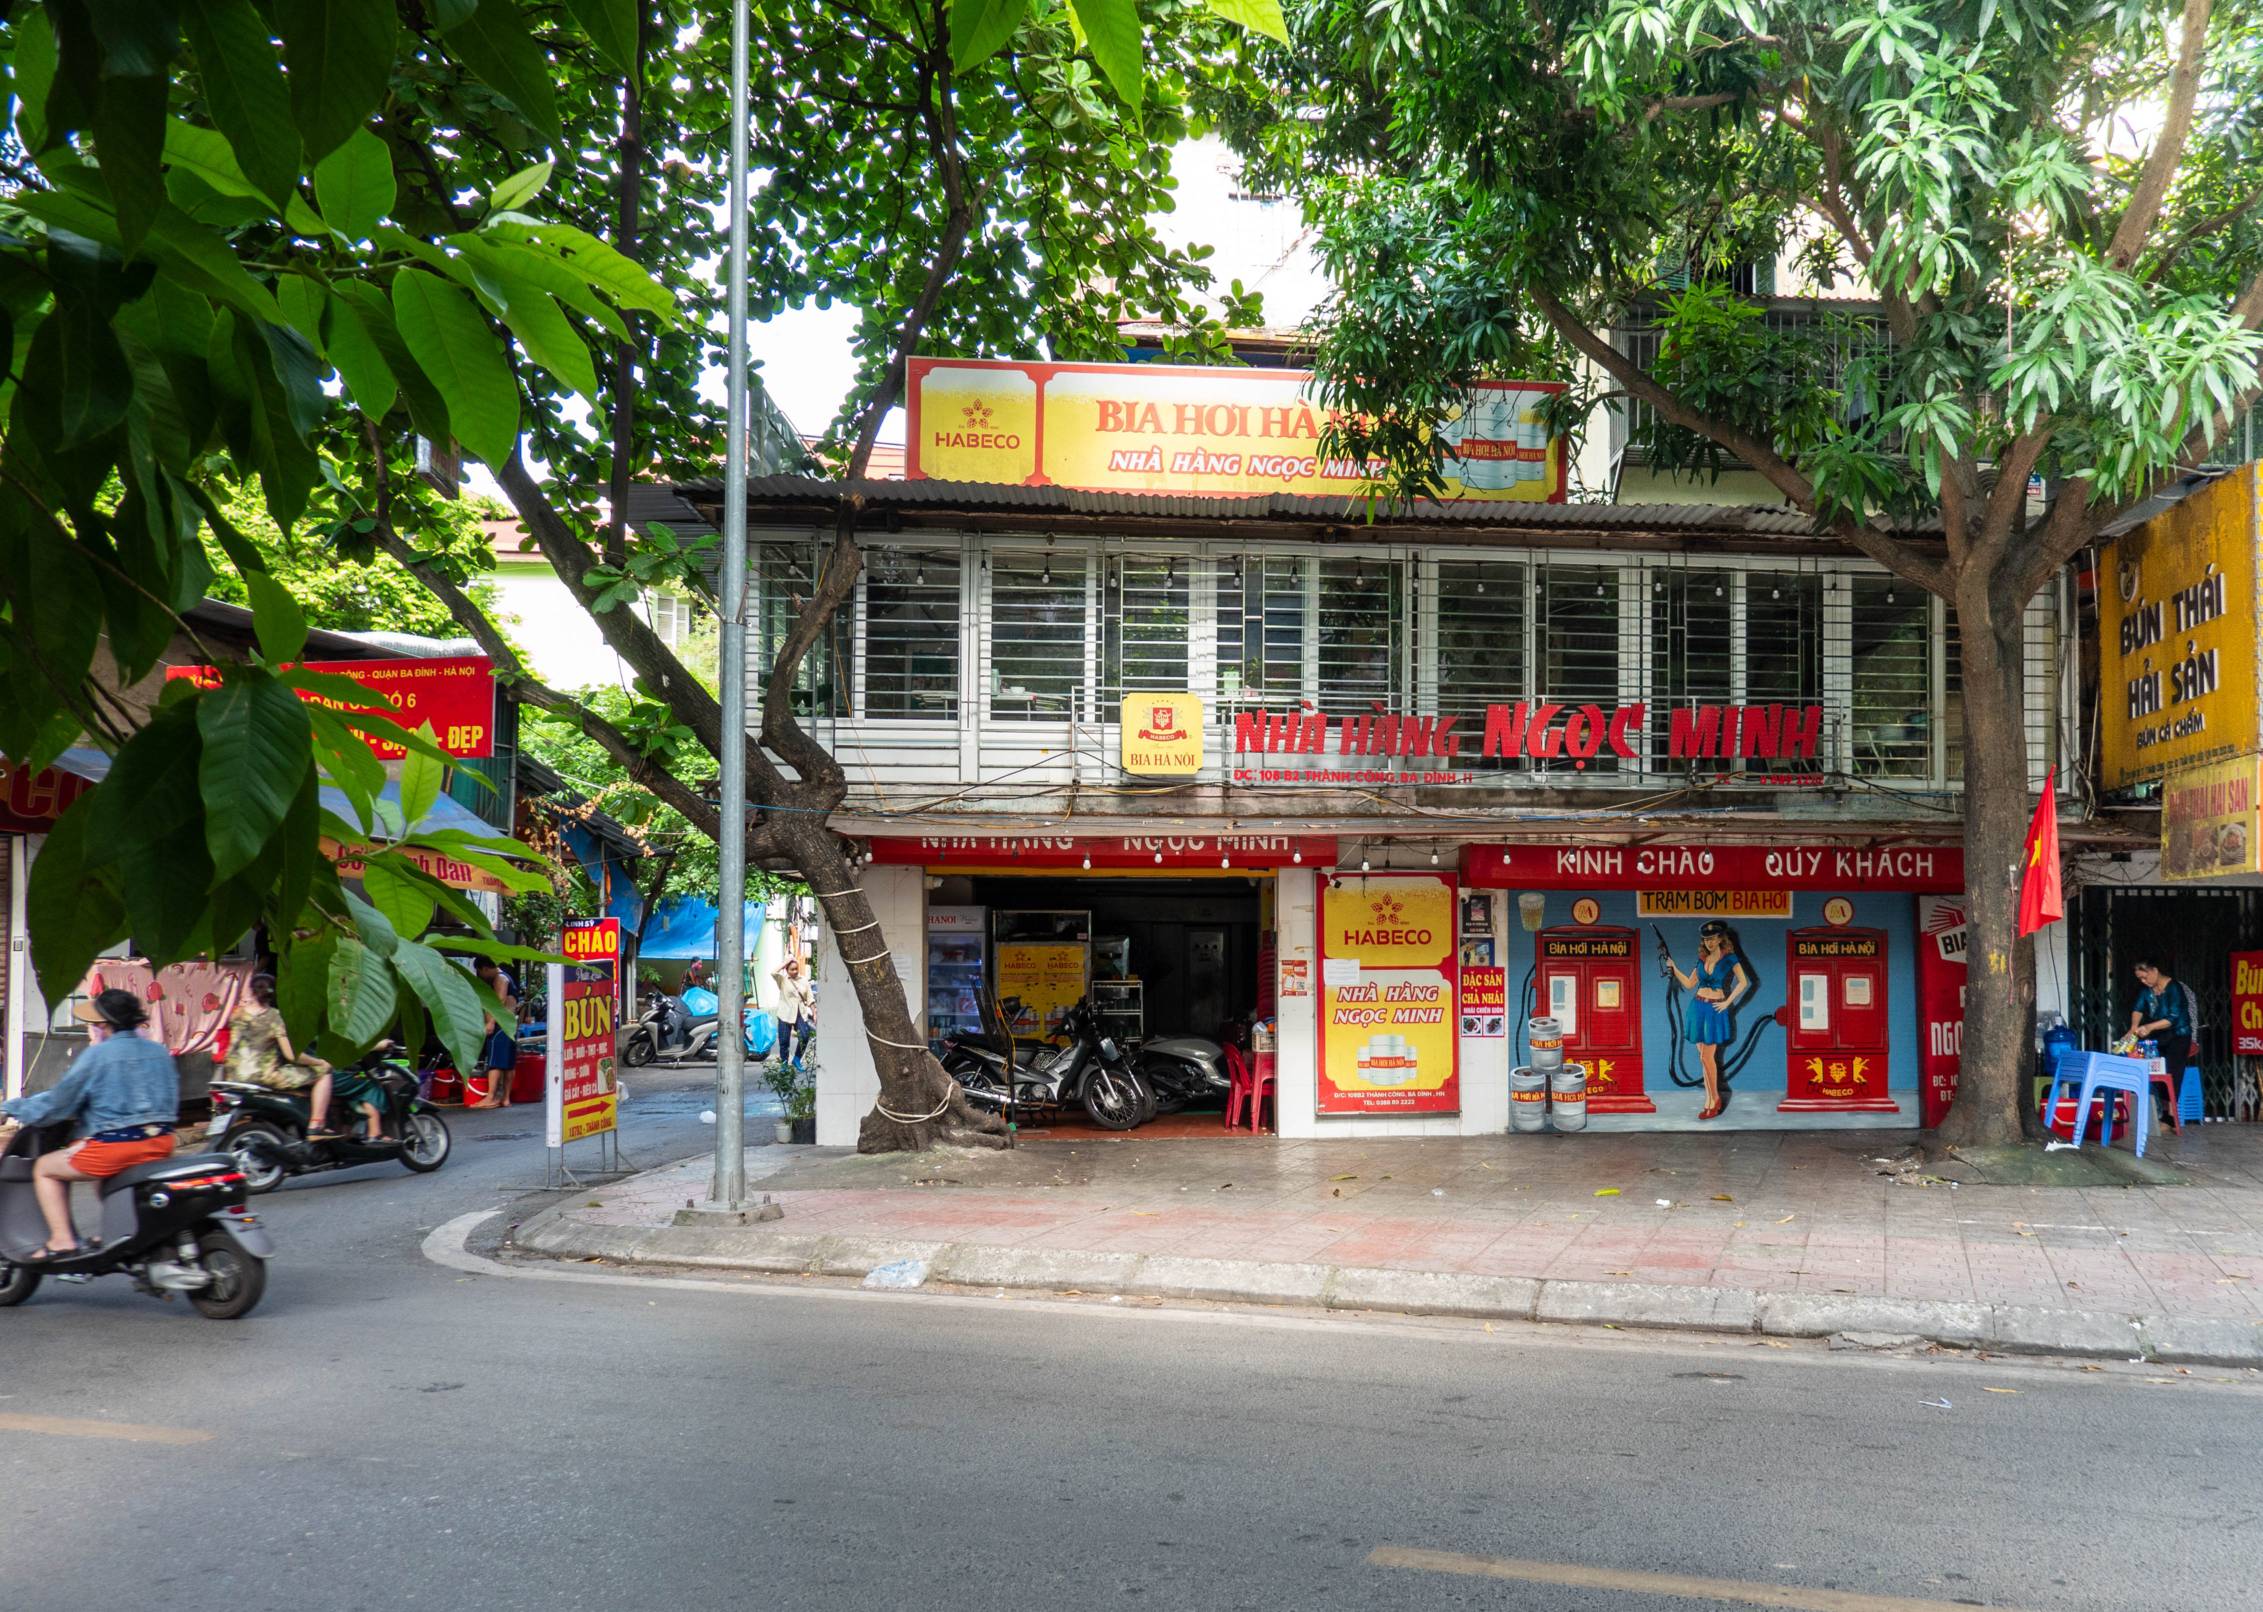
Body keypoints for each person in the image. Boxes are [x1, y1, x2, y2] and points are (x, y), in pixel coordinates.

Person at [0, 989, 180, 1261]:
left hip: (117, 1147)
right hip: (162, 1143)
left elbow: (59, 1102)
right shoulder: (158, 1051)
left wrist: (12, 1107)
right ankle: (116, 1234)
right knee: (105, 1178)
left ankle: (62, 1240)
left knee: (45, 1169)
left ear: (105, 1024)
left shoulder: (99, 1055)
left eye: (96, 1024)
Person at [224, 974, 350, 1139]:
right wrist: (319, 1062)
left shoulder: (237, 1015)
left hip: (234, 1077)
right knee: (323, 1074)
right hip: (263, 1076)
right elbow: (291, 1055)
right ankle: (316, 1125)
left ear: (251, 992)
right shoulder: (274, 1017)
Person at [1664, 921, 1751, 1122]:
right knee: (1703, 1057)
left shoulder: (1729, 958)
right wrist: (1674, 967)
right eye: (1706, 939)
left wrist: (1728, 1002)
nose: (1709, 942)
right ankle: (1710, 1099)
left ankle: (1714, 1099)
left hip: (1714, 1009)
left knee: (1706, 1057)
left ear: (1721, 938)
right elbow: (1688, 983)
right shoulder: (1701, 959)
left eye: (1712, 938)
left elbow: (1744, 981)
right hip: (1698, 1007)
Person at [2128, 955, 2202, 1108]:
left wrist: (2148, 1027)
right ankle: (2156, 1112)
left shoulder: (2174, 988)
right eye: (2140, 979)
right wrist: (2133, 1028)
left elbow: (2172, 1018)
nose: (2143, 981)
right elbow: (2138, 1008)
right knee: (2155, 1071)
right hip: (2159, 1036)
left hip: (2179, 1036)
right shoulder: (2146, 990)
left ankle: (2170, 1118)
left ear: (2154, 970)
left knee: (2172, 1074)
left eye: (2145, 977)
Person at [470, 958, 519, 1109]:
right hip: (510, 1025)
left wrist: (490, 1023)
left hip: (500, 1026)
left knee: (495, 1062)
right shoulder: (506, 977)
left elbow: (500, 1001)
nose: (481, 976)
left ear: (484, 968)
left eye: (480, 972)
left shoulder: (500, 978)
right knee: (508, 1064)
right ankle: (505, 1099)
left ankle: (490, 1098)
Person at [772, 955, 816, 1065]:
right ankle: (784, 1064)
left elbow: (810, 998)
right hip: (785, 1013)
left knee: (805, 1035)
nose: (795, 971)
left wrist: (814, 1012)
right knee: (784, 1041)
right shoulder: (782, 980)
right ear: (786, 970)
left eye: (796, 969)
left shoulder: (804, 980)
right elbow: (773, 972)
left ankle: (797, 1059)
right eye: (792, 969)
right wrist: (785, 962)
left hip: (800, 1013)